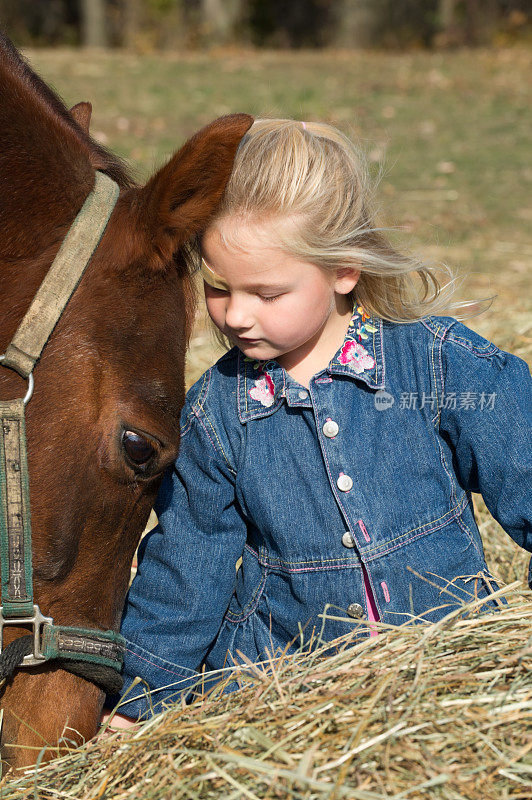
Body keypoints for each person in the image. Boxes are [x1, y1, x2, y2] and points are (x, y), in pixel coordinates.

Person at [103, 118, 532, 728]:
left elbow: (526, 465)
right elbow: (185, 566)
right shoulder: (216, 413)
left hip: (446, 664)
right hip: (286, 693)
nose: (238, 316)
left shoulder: (435, 363)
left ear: (343, 272)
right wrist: (142, 697)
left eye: (268, 294)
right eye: (220, 289)